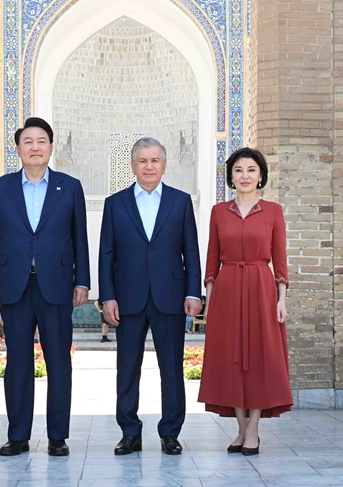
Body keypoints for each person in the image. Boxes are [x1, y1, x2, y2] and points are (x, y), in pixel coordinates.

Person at [0, 117, 90, 457]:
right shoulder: (1, 187)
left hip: (56, 285)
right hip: (15, 286)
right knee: (18, 364)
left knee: (59, 362)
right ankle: (18, 435)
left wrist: (82, 280)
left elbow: (80, 238)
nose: (35, 147)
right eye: (28, 141)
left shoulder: (69, 187)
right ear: (18, 148)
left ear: (51, 147)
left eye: (42, 141)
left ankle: (58, 436)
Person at [99, 138, 202, 456]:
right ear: (132, 165)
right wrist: (107, 297)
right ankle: (129, 431)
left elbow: (191, 252)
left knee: (171, 368)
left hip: (170, 297)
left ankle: (170, 432)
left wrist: (192, 292)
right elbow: (106, 254)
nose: (148, 166)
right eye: (142, 160)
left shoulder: (180, 201)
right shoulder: (114, 204)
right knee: (127, 368)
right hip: (127, 298)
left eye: (154, 160)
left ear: (164, 165)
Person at [198, 147, 292, 456]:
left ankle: (253, 429)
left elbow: (280, 260)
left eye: (251, 170)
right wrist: (209, 302)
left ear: (261, 175)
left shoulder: (274, 211)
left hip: (261, 288)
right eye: (239, 170)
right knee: (230, 359)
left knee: (260, 357)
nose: (245, 175)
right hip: (226, 290)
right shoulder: (217, 212)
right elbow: (212, 260)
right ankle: (240, 428)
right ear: (231, 177)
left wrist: (282, 299)